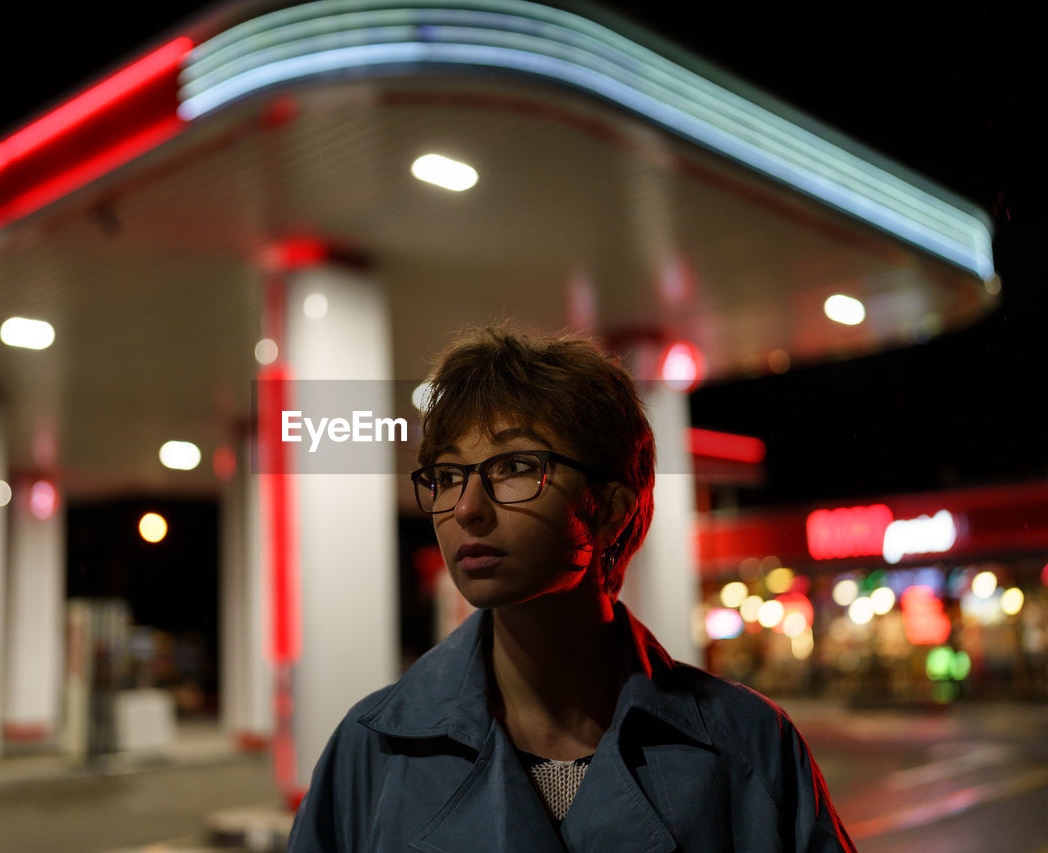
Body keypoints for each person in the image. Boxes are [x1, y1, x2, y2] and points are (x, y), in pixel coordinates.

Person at [288, 326, 856, 851]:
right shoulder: (373, 750)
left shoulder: (750, 744)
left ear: (610, 507)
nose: (466, 508)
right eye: (447, 476)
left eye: (514, 466)